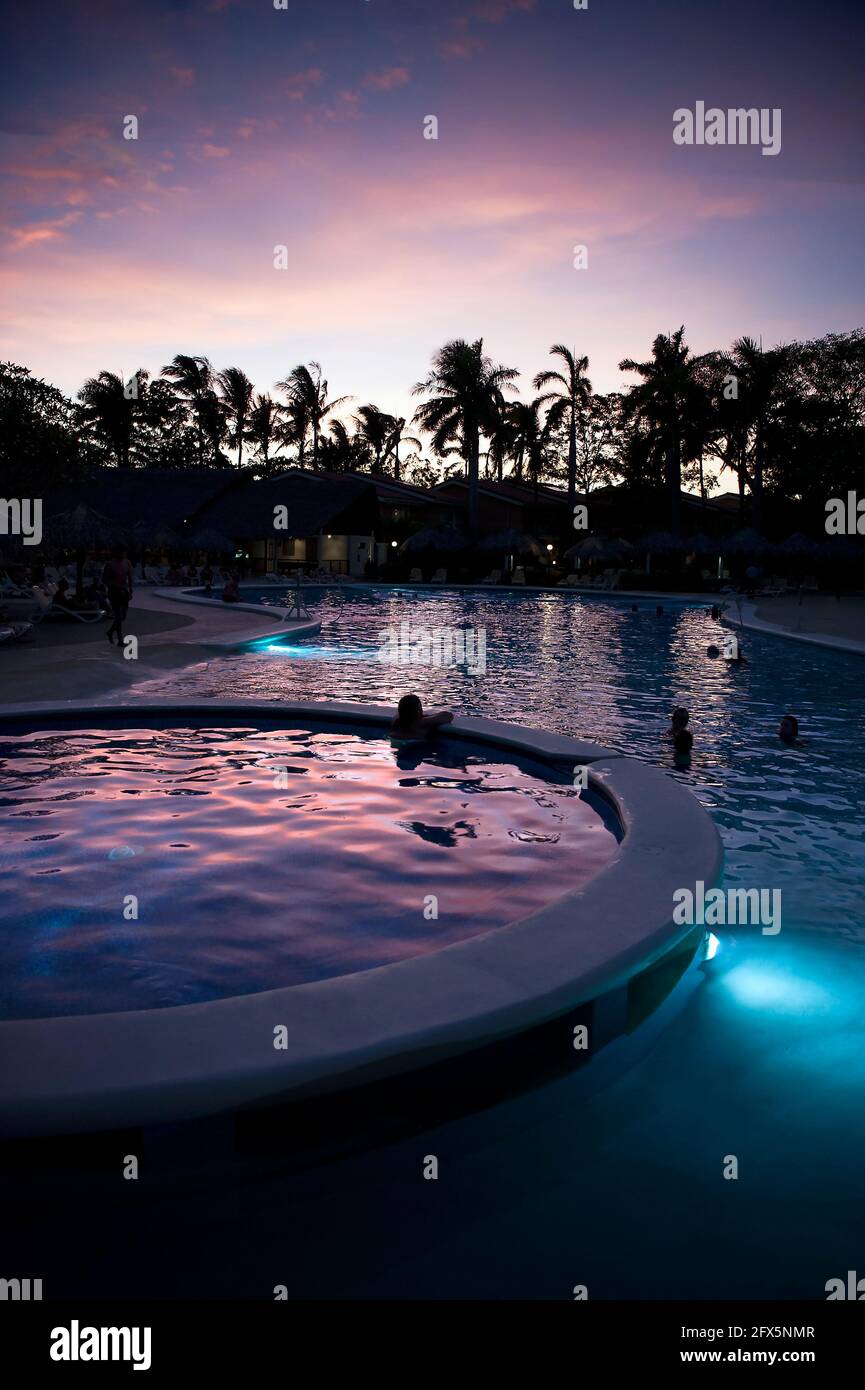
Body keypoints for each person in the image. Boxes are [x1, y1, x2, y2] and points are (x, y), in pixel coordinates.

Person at [102, 545, 133, 645]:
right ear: (116, 553)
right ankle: (120, 640)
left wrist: (130, 589)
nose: (123, 555)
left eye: (124, 553)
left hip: (124, 592)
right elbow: (104, 580)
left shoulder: (127, 563)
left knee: (122, 616)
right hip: (114, 592)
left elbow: (130, 576)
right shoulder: (110, 565)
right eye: (121, 553)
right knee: (118, 616)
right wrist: (116, 586)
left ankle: (110, 632)